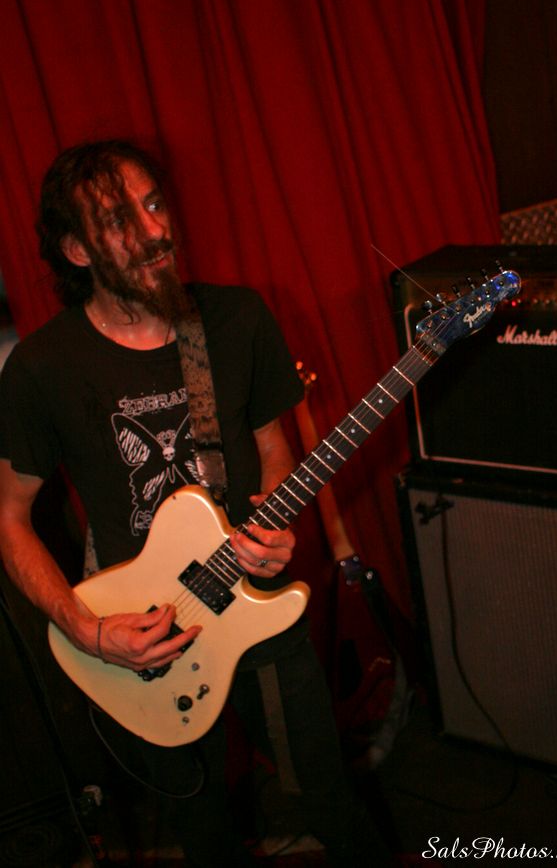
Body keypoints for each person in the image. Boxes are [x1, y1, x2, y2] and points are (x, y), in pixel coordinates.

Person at [0, 140, 391, 867]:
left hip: (257, 606)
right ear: (77, 251)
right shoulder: (41, 368)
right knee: (204, 834)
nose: (154, 230)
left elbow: (273, 447)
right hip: (141, 636)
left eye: (154, 204)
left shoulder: (236, 318)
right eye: (120, 220)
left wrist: (278, 521)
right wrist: (86, 631)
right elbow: (9, 518)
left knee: (332, 803)